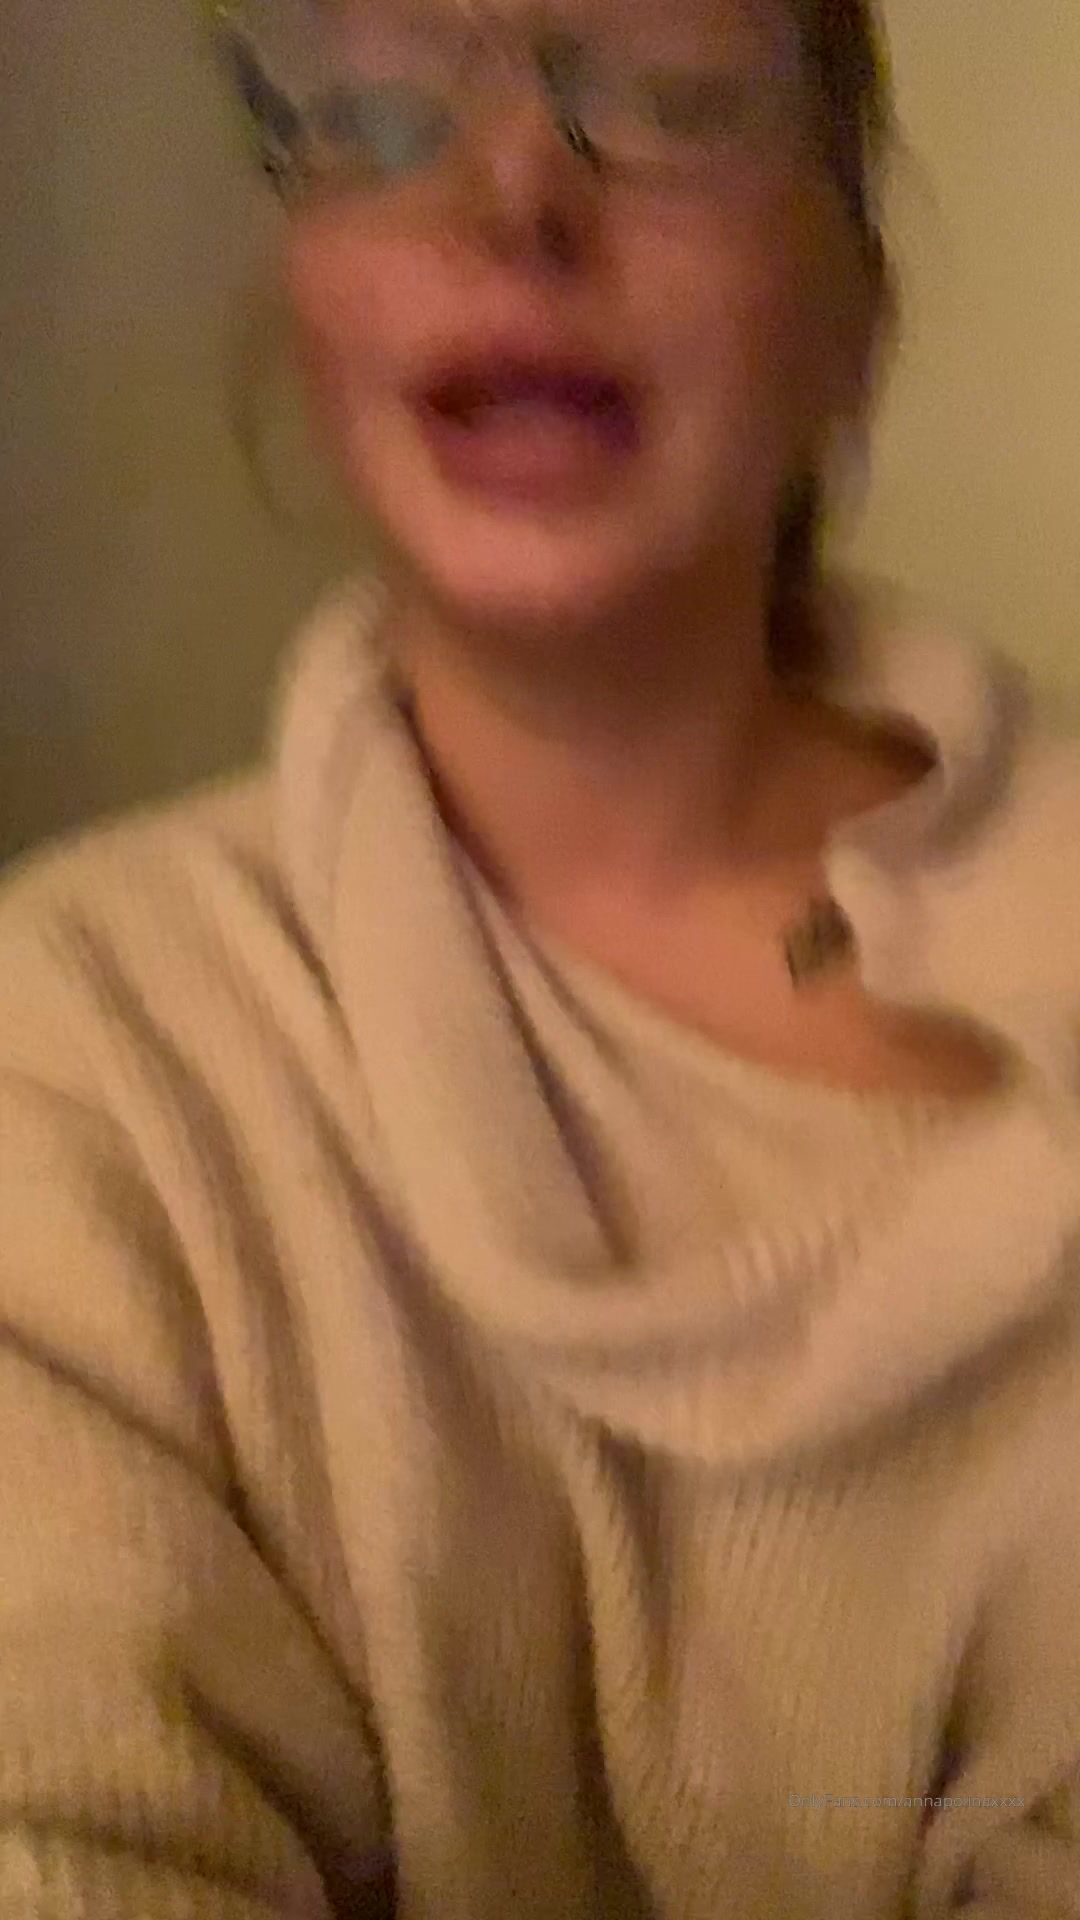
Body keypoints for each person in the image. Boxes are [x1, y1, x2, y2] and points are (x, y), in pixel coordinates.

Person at [2, 0, 1079, 1913]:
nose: (513, 197)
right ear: (301, 310)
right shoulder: (78, 1053)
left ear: (855, 316)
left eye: (665, 98)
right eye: (382, 112)